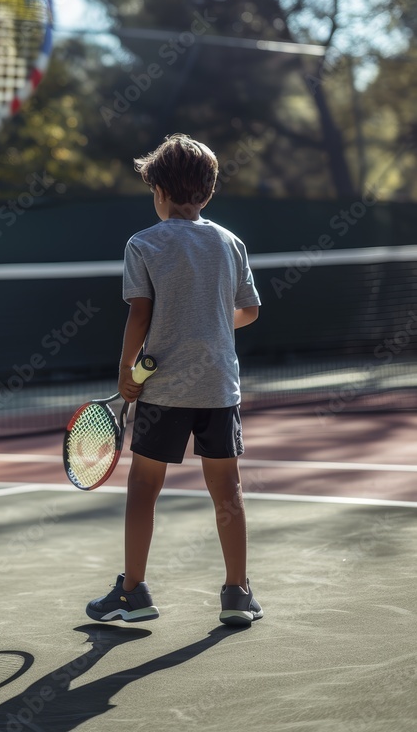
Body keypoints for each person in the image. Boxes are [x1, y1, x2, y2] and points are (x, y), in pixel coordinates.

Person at [86, 134, 263, 628]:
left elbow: (139, 316)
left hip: (162, 389)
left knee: (143, 486)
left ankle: (132, 592)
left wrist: (126, 369)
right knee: (227, 489)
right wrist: (206, 324)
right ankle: (237, 593)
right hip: (219, 388)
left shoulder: (143, 243)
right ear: (207, 194)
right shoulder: (231, 243)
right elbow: (248, 311)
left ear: (158, 190)